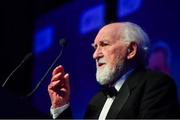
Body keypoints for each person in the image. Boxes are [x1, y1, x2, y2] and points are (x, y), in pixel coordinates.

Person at [48, 22, 180, 119]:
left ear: (131, 50)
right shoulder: (96, 101)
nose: (95, 55)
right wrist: (61, 107)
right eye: (95, 47)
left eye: (104, 45)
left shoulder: (156, 85)